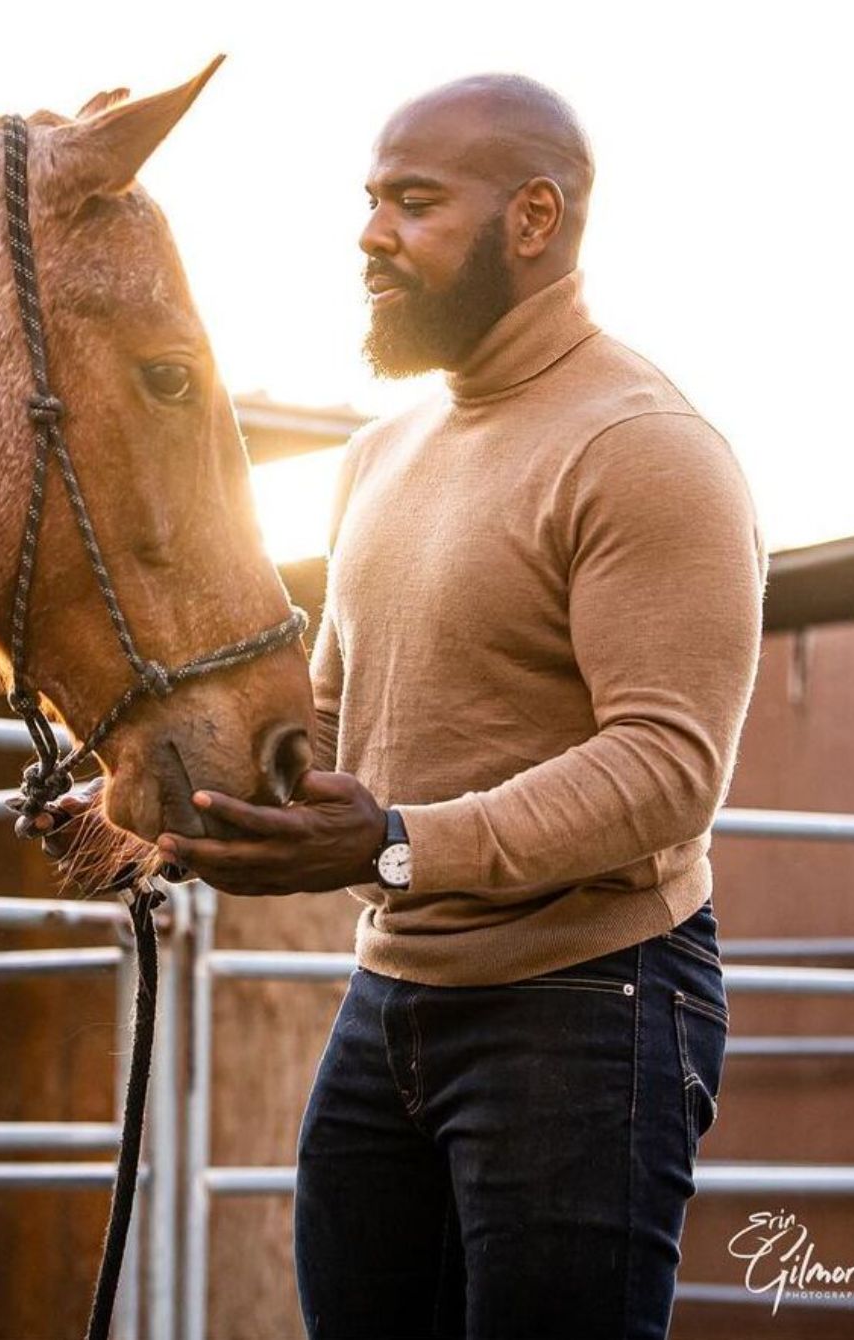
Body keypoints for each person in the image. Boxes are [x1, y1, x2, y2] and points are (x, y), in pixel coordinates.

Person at [138, 74, 766, 1337]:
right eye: (371, 201)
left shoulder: (644, 444)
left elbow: (665, 768)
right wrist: (153, 804)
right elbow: (331, 729)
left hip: (590, 1005)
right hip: (388, 1007)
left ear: (532, 220)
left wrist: (395, 842)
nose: (373, 234)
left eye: (414, 204)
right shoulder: (381, 455)